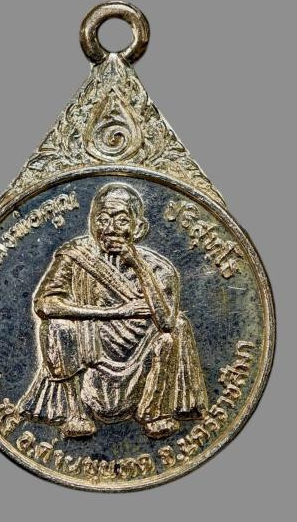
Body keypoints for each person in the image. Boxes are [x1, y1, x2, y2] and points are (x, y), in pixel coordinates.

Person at [17, 183, 208, 438]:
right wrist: (116, 312)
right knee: (57, 326)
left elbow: (166, 322)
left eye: (121, 220)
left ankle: (155, 412)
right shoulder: (76, 255)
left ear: (138, 228)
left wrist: (137, 263)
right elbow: (44, 304)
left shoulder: (159, 268)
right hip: (91, 343)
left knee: (175, 331)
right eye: (103, 219)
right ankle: (76, 413)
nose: (110, 229)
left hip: (139, 351)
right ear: (92, 224)